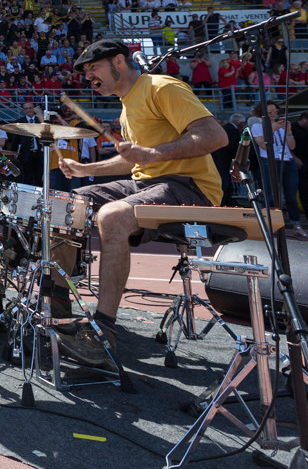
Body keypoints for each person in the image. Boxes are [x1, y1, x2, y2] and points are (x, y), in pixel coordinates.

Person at [57, 39, 226, 363]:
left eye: (94, 68)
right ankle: (60, 313)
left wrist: (154, 153)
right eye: (86, 72)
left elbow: (215, 136)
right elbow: (135, 161)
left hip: (191, 187)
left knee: (111, 217)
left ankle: (103, 335)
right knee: (65, 203)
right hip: (147, 182)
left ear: (118, 61)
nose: (89, 77)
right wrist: (85, 168)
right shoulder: (127, 104)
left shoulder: (161, 87)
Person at [249, 102, 306, 236]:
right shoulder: (257, 126)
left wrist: (289, 132)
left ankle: (296, 225)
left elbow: (291, 146)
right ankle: (270, 224)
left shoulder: (282, 126)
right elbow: (263, 145)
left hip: (287, 161)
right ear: (261, 113)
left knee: (291, 195)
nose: (273, 114)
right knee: (270, 194)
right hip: (270, 161)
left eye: (275, 111)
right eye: (269, 112)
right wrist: (272, 129)